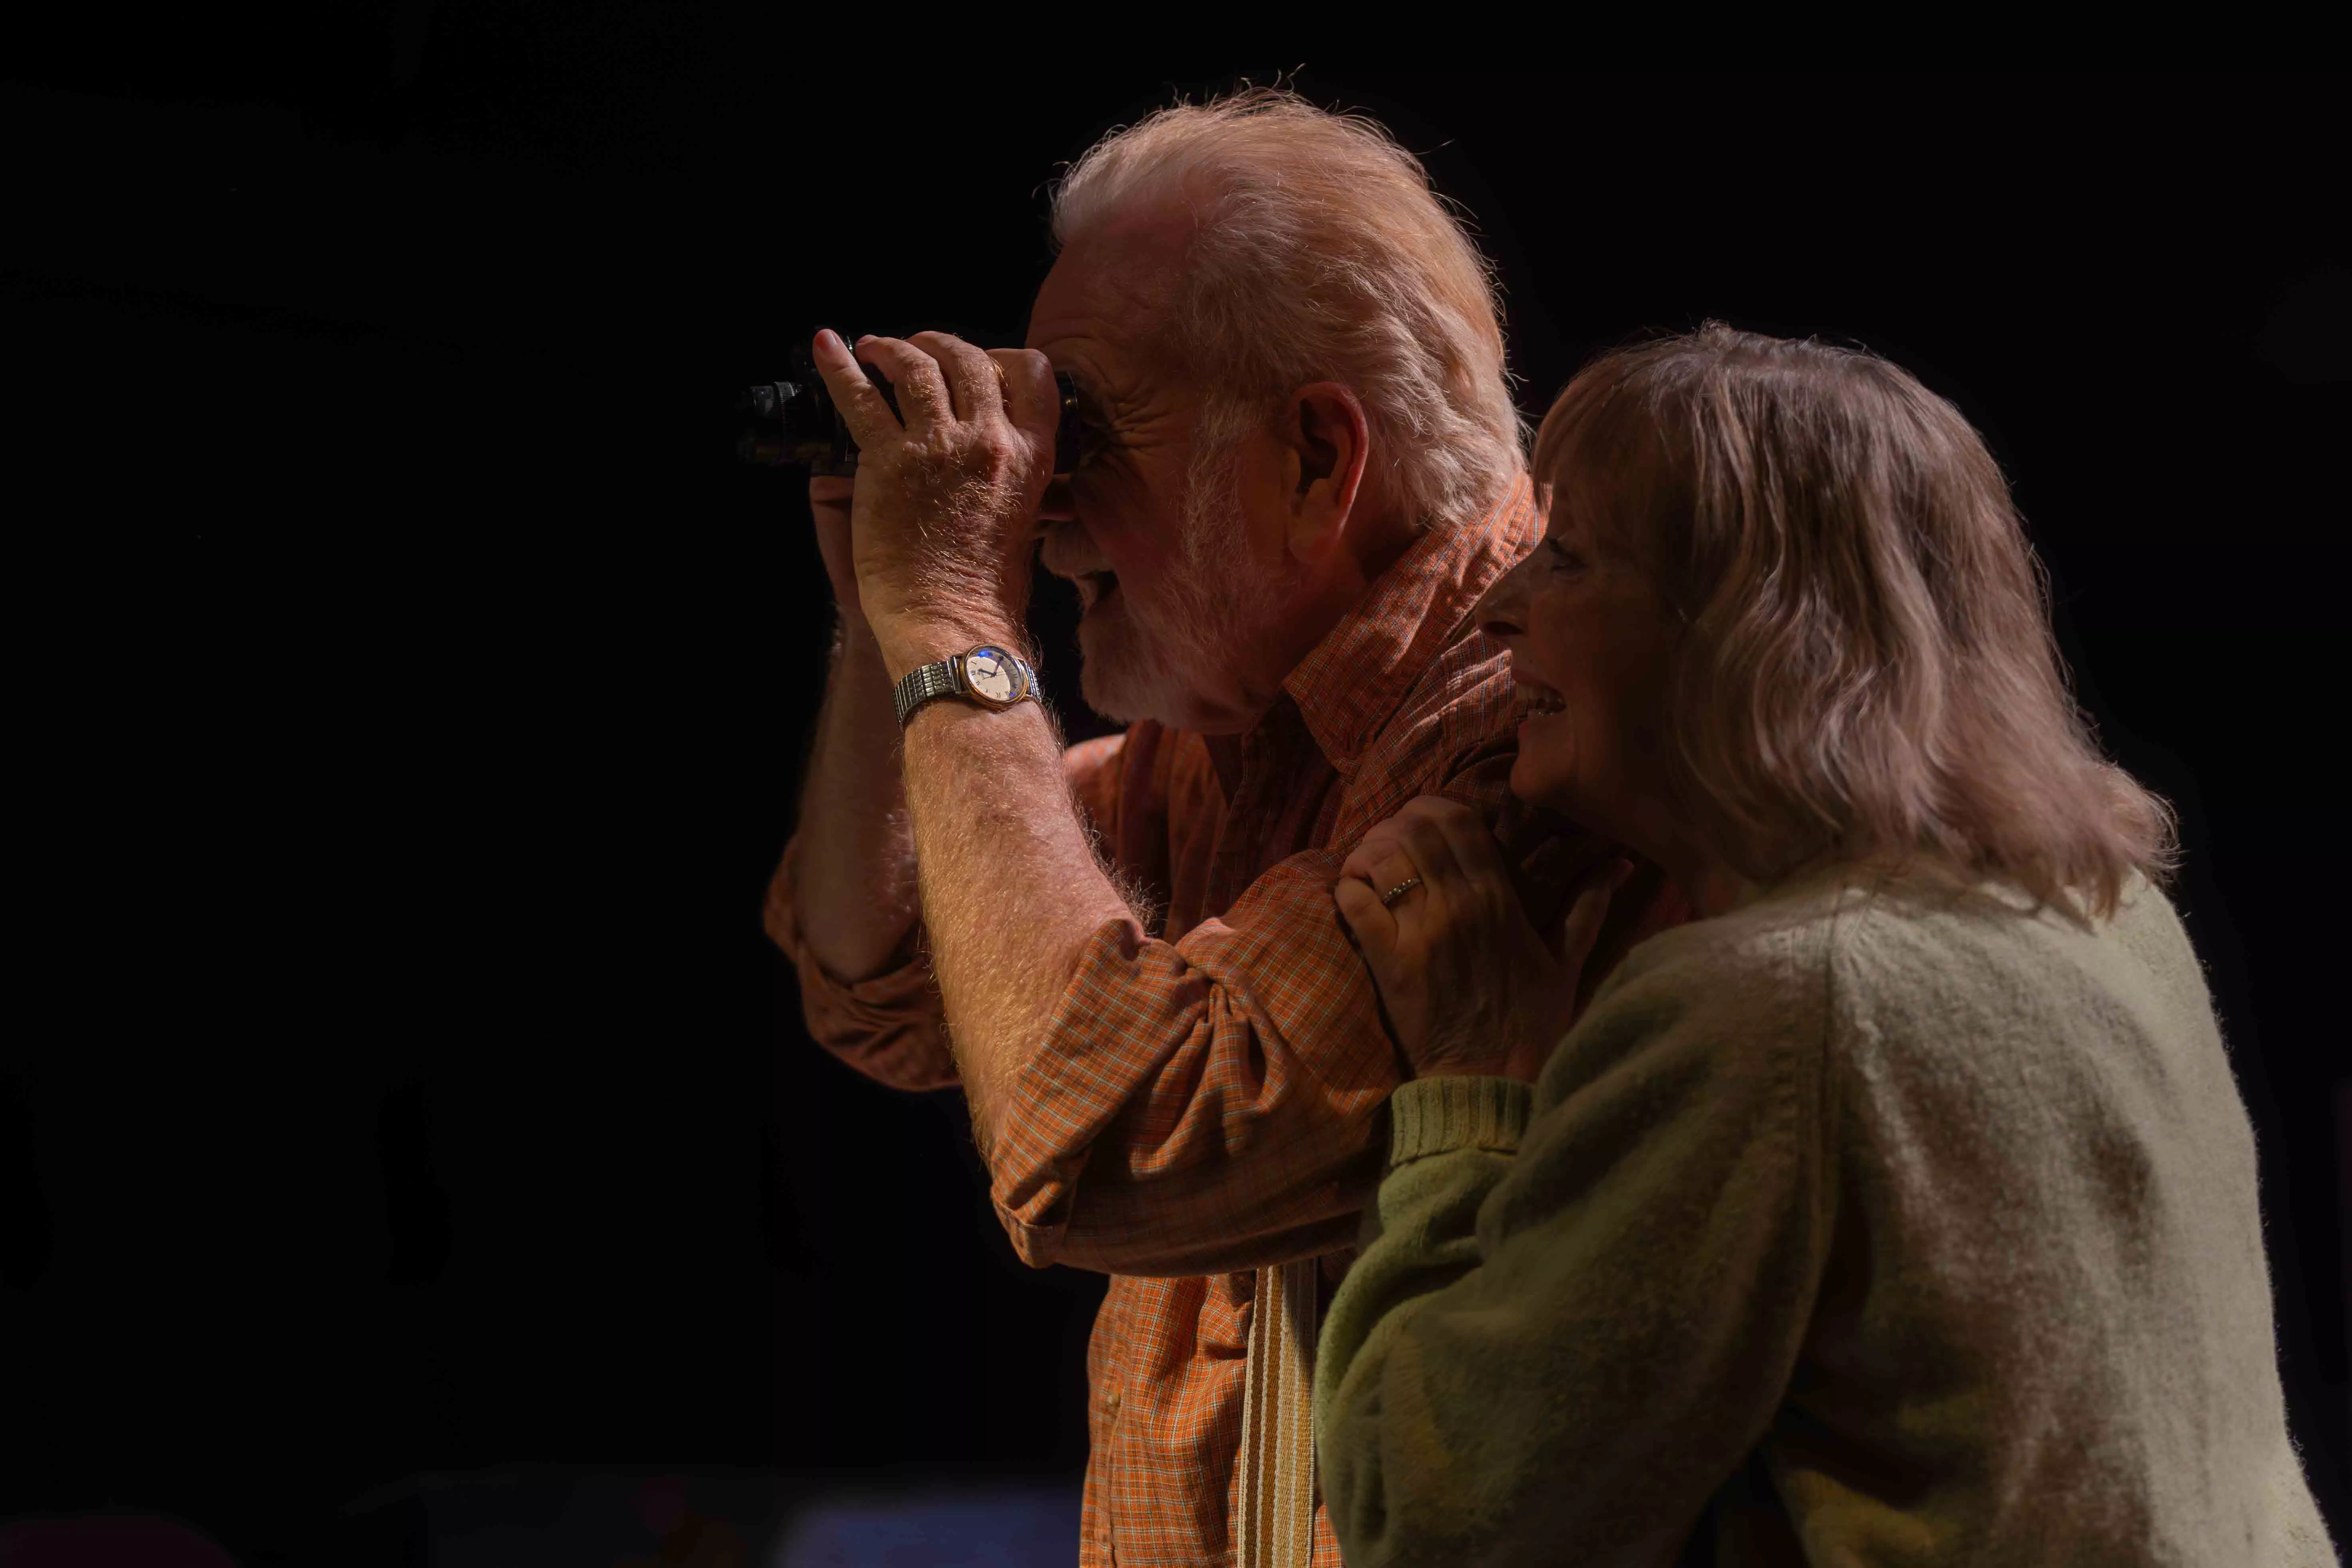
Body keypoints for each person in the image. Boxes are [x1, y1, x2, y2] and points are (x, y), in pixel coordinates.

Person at [765, 91, 1684, 1566]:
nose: (1040, 505)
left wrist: (948, 610)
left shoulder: (1535, 731)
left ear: (1318, 459)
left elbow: (1105, 1141)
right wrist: (891, 628)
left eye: (1087, 424)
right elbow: (873, 970)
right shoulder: (1231, 739)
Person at [1316, 325, 2341, 1566]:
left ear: (1748, 632)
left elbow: (1430, 1523)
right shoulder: (2105, 911)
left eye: (1571, 557)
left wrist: (1472, 1081)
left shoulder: (1778, 1007)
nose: (1499, 610)